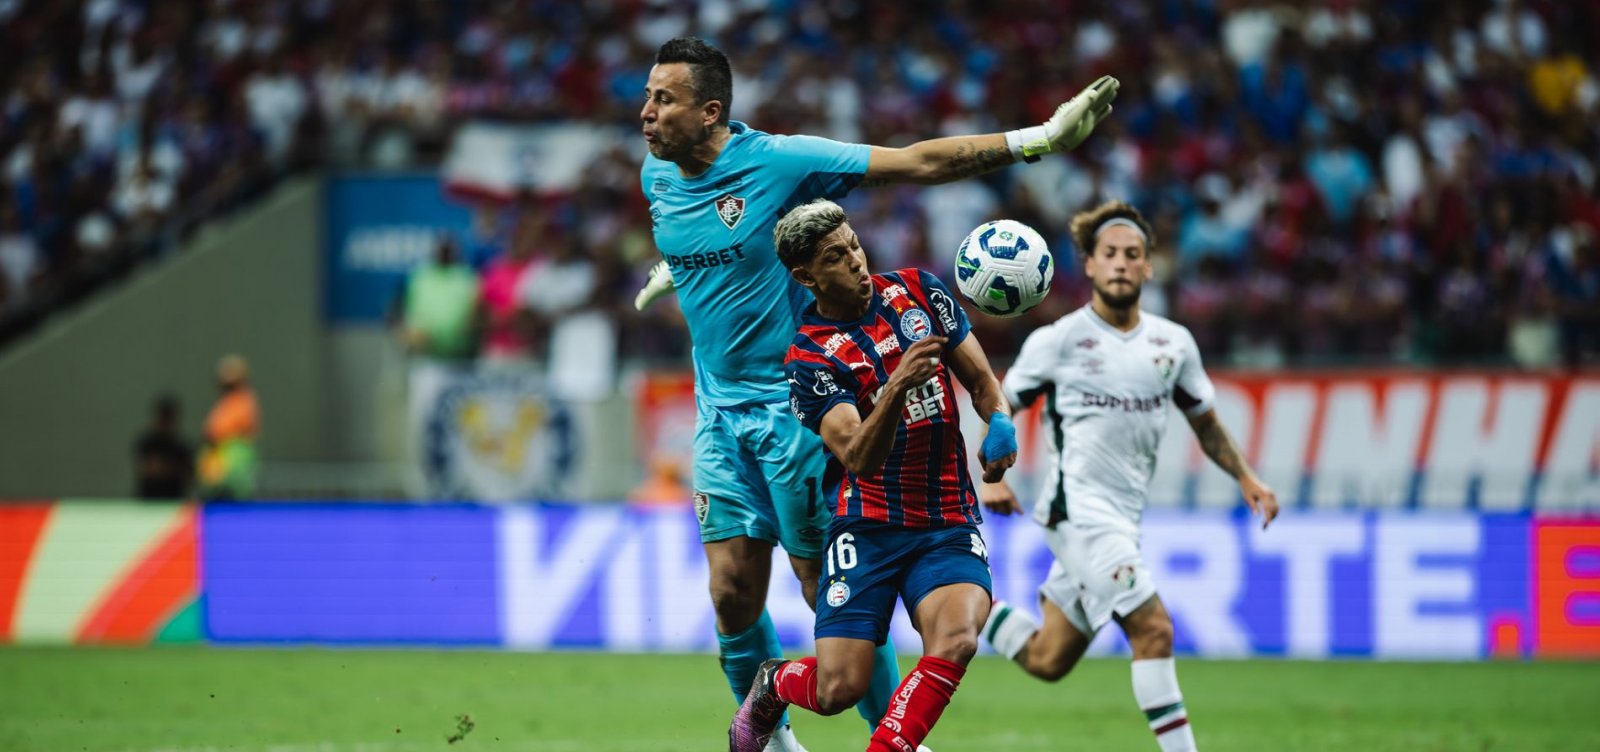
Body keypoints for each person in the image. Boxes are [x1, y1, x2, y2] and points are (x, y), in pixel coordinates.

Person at [631, 36, 1118, 750]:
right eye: (647, 96)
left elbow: (916, 161)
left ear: (710, 112)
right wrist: (677, 267)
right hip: (718, 414)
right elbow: (712, 243)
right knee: (731, 592)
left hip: (801, 408)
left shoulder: (777, 161)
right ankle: (774, 743)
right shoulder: (658, 175)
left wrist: (1037, 139)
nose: (645, 112)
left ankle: (893, 738)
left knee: (824, 600)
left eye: (663, 100)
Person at [977, 200, 1280, 752]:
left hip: (1122, 519)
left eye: (1132, 255)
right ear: (1089, 265)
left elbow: (1206, 423)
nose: (1120, 263)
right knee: (1154, 629)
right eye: (1109, 253)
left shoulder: (1173, 344)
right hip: (1077, 514)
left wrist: (1247, 477)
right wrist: (993, 473)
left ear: (1148, 267)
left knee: (1048, 659)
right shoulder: (1060, 340)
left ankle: (976, 609)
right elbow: (999, 403)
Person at [729, 199, 1016, 752]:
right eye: (836, 257)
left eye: (854, 244)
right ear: (806, 276)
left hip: (947, 519)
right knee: (839, 688)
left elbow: (981, 379)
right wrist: (896, 389)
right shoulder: (809, 359)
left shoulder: (919, 292)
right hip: (868, 527)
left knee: (956, 639)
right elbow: (858, 455)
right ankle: (774, 681)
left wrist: (998, 419)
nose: (857, 261)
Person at [197, 354, 260, 500]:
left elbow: (220, 430)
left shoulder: (243, 401)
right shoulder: (226, 402)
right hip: (217, 465)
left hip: (231, 466)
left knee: (229, 501)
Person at [133, 394, 193, 500]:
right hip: (148, 500)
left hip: (173, 499)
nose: (165, 423)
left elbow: (189, 477)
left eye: (168, 419)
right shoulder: (147, 444)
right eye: (163, 418)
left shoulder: (180, 448)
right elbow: (148, 470)